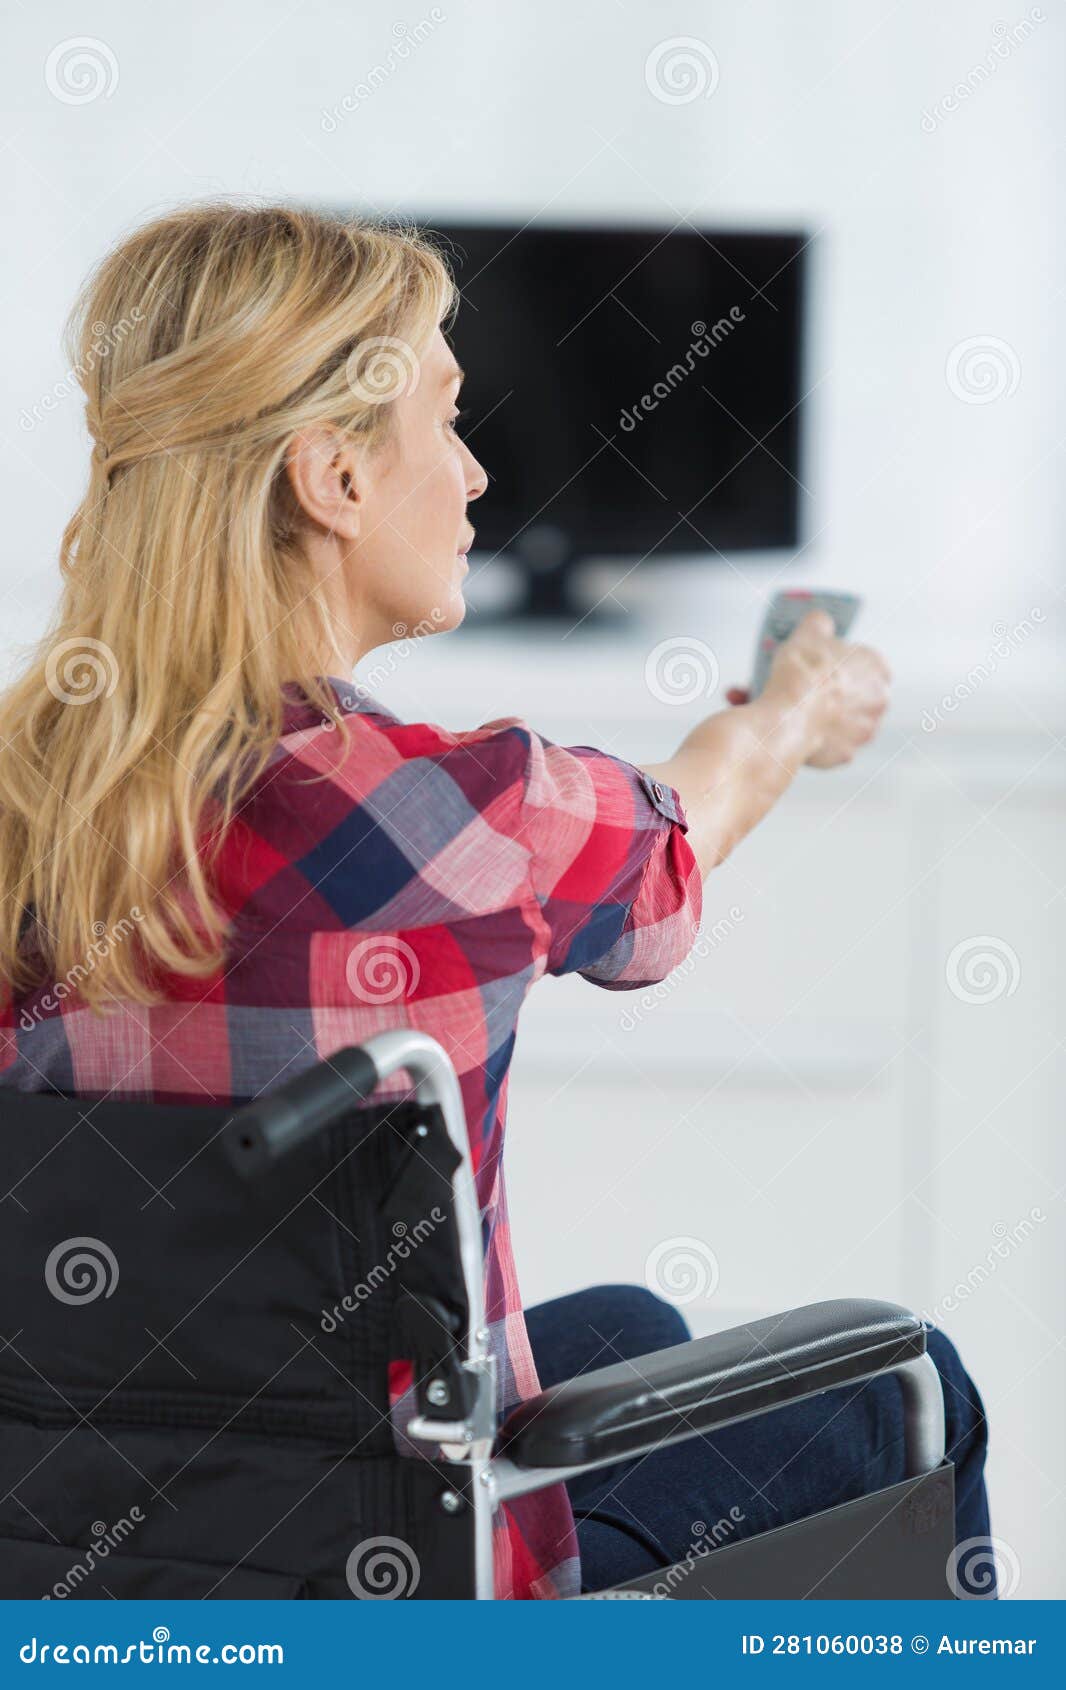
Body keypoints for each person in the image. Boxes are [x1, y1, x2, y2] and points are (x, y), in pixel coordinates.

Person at [0, 202, 989, 1599]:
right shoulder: (455, 813)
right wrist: (787, 715)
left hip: (75, 1582)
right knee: (907, 1380)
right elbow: (670, 852)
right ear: (333, 477)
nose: (472, 477)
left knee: (632, 1323)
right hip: (407, 1593)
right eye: (448, 420)